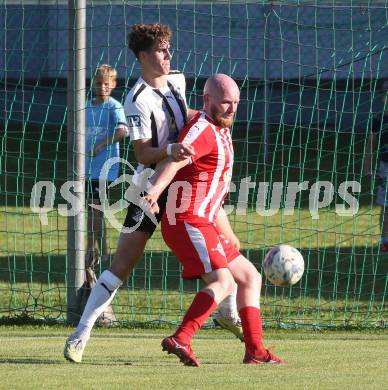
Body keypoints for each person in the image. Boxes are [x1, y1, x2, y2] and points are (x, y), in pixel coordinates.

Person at [64, 24, 241, 364]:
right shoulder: (135, 100)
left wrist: (211, 120)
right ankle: (80, 334)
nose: (168, 55)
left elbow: (187, 118)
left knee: (226, 250)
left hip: (186, 187)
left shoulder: (179, 80)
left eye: (169, 48)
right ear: (143, 56)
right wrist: (172, 148)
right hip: (149, 188)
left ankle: (229, 314)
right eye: (161, 51)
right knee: (122, 265)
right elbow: (143, 154)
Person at [144, 74, 283, 366]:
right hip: (187, 221)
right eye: (225, 103)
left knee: (250, 276)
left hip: (204, 221)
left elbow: (210, 190)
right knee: (223, 281)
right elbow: (174, 162)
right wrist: (154, 191)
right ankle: (181, 338)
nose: (232, 109)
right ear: (207, 100)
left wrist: (227, 231)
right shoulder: (202, 131)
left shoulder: (219, 128)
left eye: (235, 103)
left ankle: (255, 351)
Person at [85, 64, 129, 264]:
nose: (102, 87)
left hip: (104, 168)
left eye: (106, 84)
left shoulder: (114, 106)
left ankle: (90, 250)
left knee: (95, 208)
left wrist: (102, 144)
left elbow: (122, 132)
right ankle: (102, 250)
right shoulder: (85, 106)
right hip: (85, 168)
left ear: (113, 84)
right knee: (92, 209)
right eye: (98, 83)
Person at [364, 80, 388, 252]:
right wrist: (368, 169)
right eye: (385, 93)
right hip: (385, 167)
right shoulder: (378, 120)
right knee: (385, 205)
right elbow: (370, 146)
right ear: (381, 97)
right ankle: (385, 240)